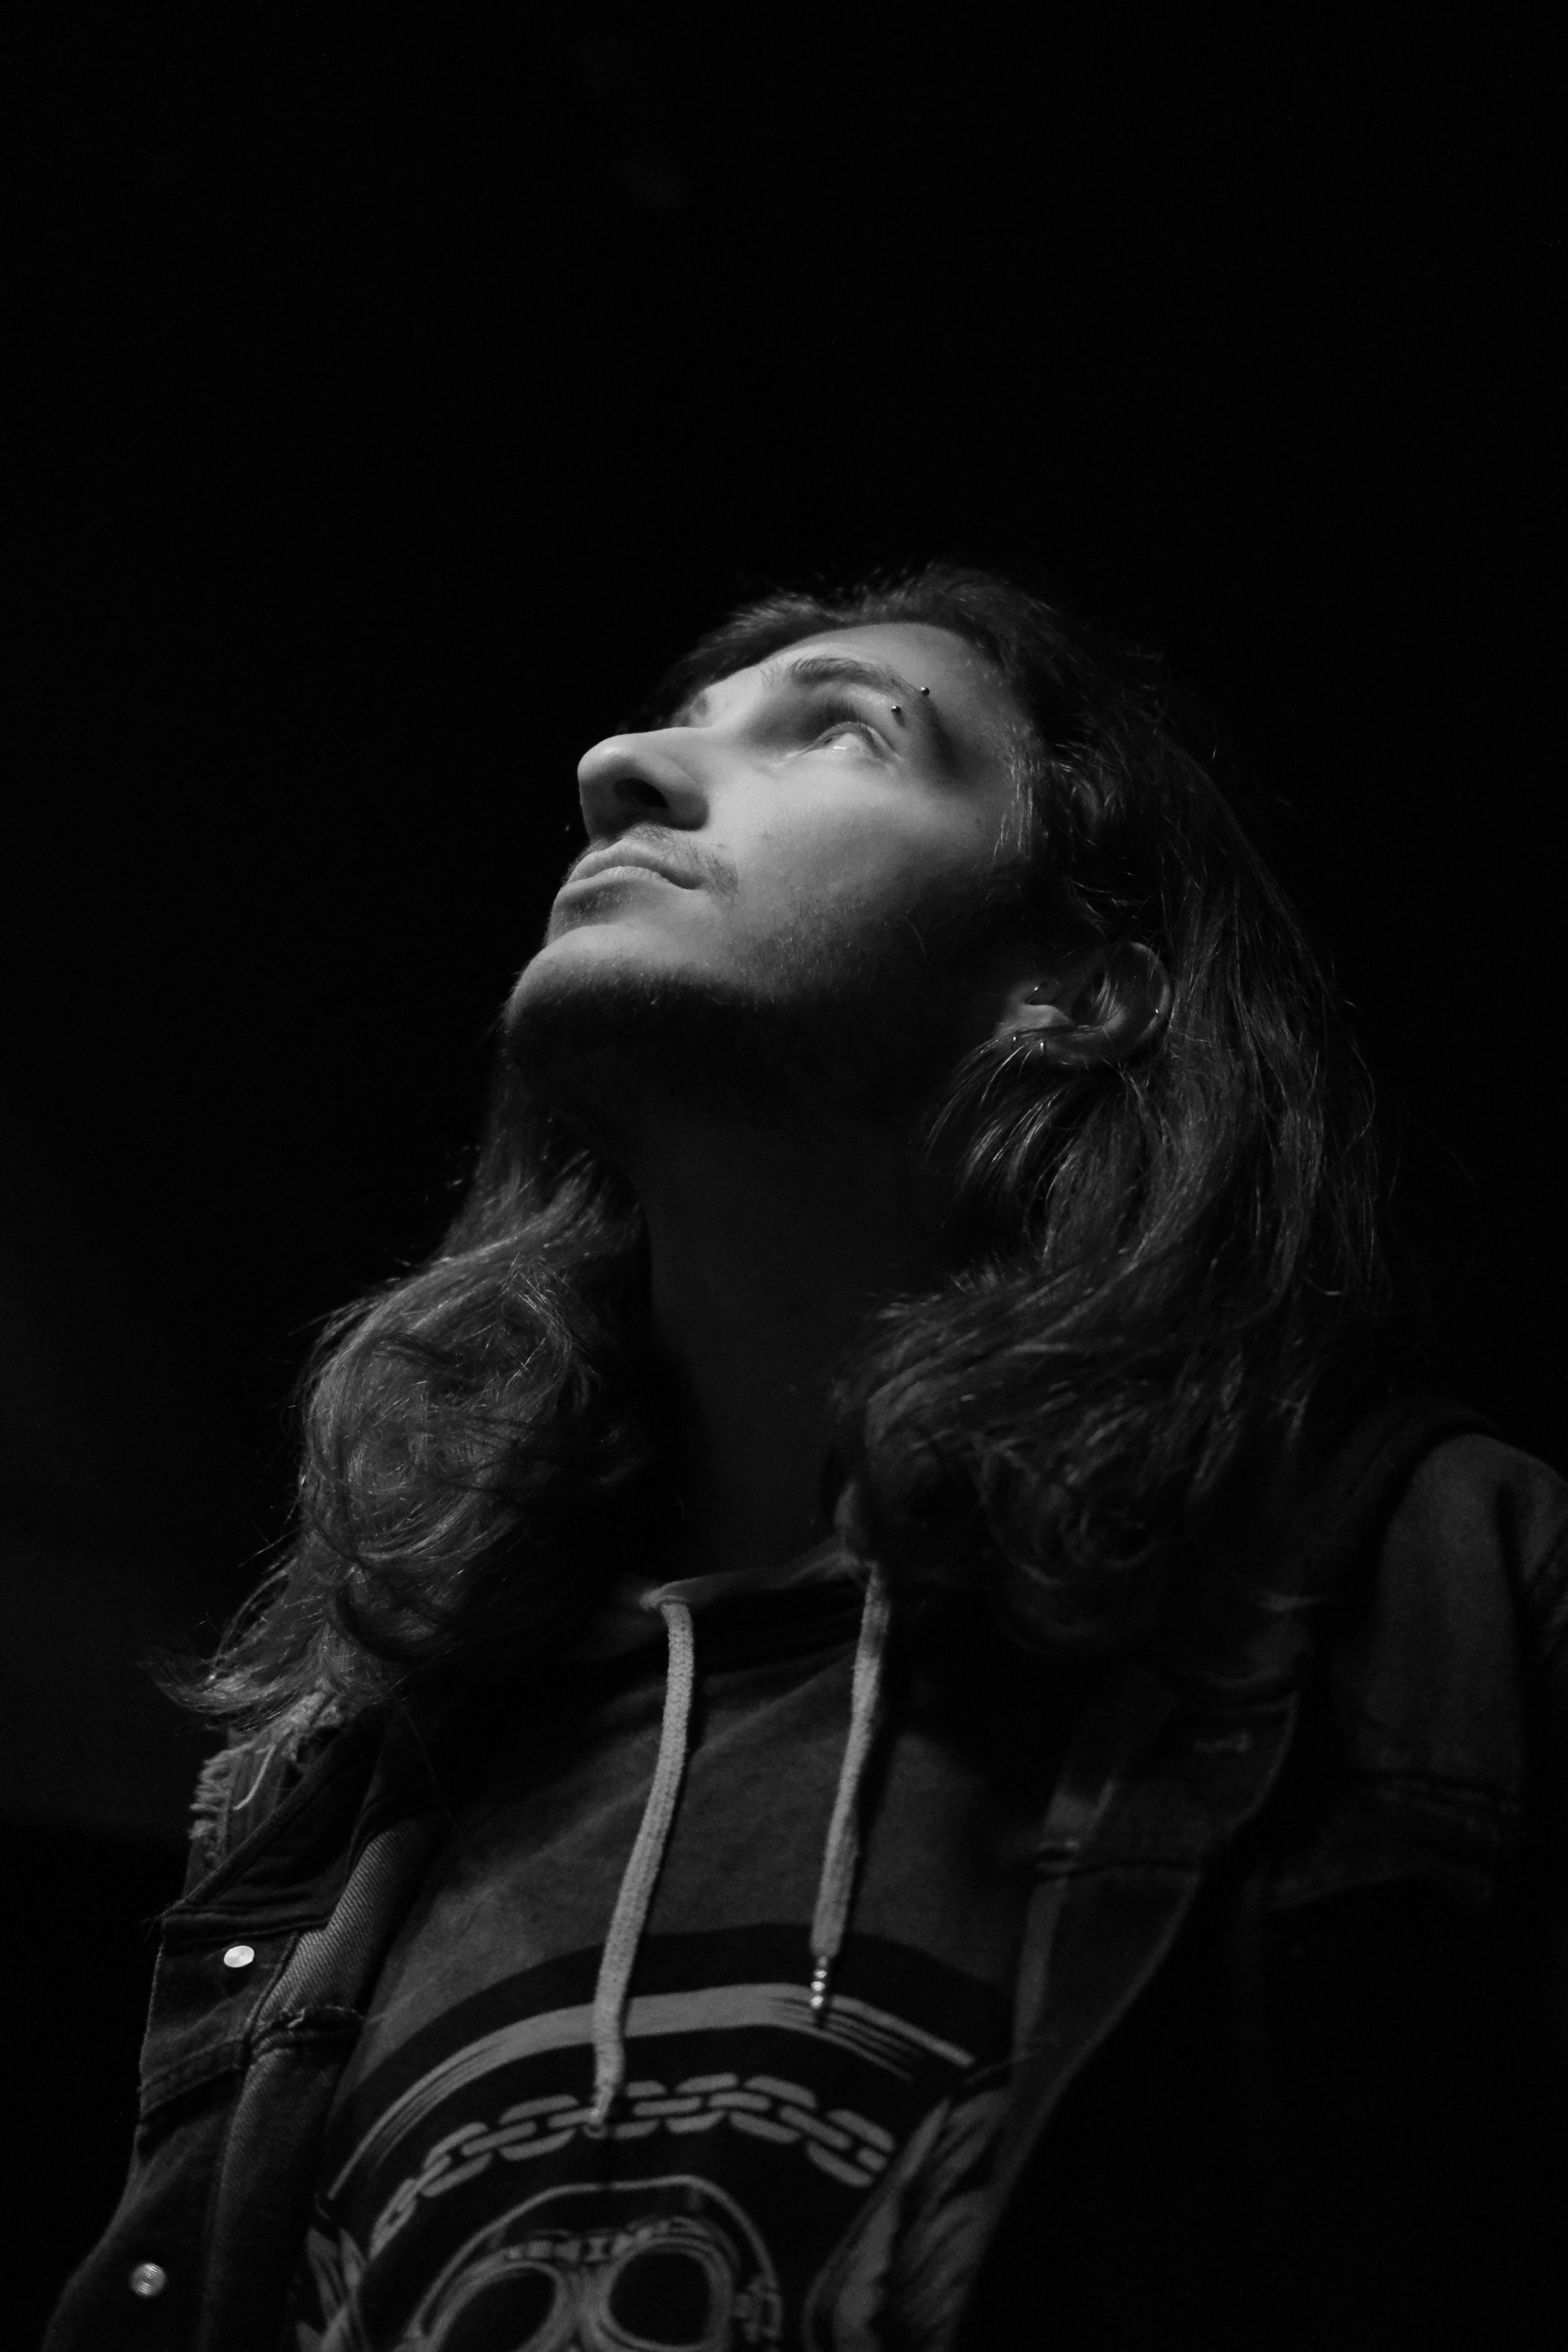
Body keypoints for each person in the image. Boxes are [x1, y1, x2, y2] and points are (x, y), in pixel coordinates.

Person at [47, 566, 1567, 2351]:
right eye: (671, 726)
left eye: (839, 733)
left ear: (1076, 988)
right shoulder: (349, 1780)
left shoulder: (1435, 1596)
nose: (618, 768)